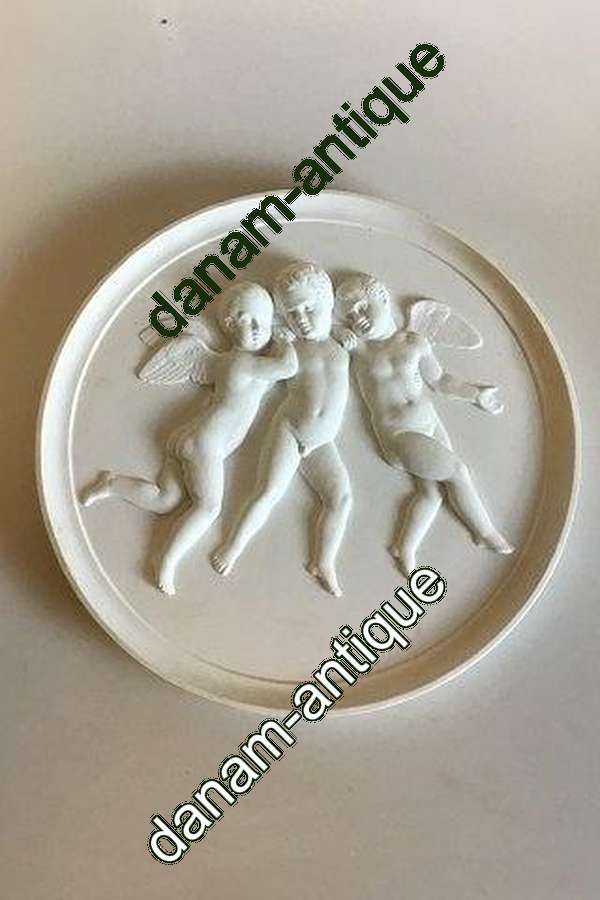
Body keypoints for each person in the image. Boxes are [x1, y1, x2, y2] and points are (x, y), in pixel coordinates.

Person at [80, 281, 298, 595]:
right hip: (206, 445)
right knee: (208, 507)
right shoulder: (242, 362)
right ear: (229, 326)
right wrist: (283, 338)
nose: (254, 328)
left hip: (190, 439)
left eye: (260, 320)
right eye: (245, 320)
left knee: (165, 500)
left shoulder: (226, 361)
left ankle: (113, 484)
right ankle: (166, 560)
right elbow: (288, 368)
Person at [335, 272, 514, 575]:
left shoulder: (414, 342)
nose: (358, 319)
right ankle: (484, 532)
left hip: (430, 424)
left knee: (431, 495)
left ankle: (403, 547)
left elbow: (441, 381)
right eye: (350, 316)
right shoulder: (359, 350)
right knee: (458, 472)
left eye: (362, 307)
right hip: (399, 434)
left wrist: (475, 394)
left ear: (383, 298)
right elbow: (318, 329)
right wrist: (339, 331)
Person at [212, 260, 352, 596]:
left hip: (321, 441)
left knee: (341, 498)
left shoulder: (342, 342)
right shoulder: (288, 345)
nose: (300, 317)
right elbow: (259, 340)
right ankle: (233, 546)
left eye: (308, 308)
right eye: (291, 311)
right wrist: (279, 337)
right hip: (291, 429)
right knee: (268, 492)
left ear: (328, 303)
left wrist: (342, 330)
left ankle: (323, 562)